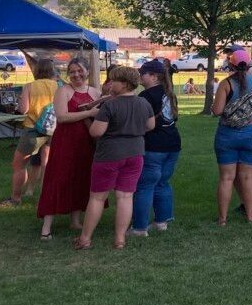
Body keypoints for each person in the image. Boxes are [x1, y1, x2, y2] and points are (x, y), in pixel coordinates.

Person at [74, 66, 154, 251]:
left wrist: (87, 119)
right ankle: (119, 240)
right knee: (125, 197)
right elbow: (151, 125)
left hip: (109, 155)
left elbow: (96, 132)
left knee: (97, 198)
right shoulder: (143, 103)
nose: (109, 84)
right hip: (135, 153)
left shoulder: (110, 105)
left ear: (125, 84)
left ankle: (85, 239)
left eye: (113, 80)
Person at [37, 57, 103, 240]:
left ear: (87, 71)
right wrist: (89, 112)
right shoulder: (62, 91)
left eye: (79, 70)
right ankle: (46, 227)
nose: (76, 74)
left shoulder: (96, 93)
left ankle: (75, 220)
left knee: (81, 178)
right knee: (58, 179)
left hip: (86, 142)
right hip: (65, 142)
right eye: (72, 71)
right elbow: (62, 117)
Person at [211, 48, 252, 225]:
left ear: (231, 65)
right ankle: (251, 217)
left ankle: (222, 219)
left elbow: (217, 110)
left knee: (226, 178)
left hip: (227, 134)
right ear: (249, 65)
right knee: (247, 176)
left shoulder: (226, 84)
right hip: (251, 133)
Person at [130, 58, 182, 236]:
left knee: (145, 185)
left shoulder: (146, 96)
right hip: (172, 144)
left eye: (142, 74)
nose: (140, 78)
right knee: (162, 183)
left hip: (153, 145)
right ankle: (162, 221)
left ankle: (139, 227)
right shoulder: (169, 93)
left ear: (153, 76)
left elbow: (140, 122)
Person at [0, 57, 59, 206]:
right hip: (53, 129)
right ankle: (45, 198)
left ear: (36, 70)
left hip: (32, 129)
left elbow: (23, 109)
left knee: (19, 165)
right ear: (52, 70)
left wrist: (20, 102)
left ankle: (15, 198)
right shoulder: (59, 86)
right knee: (48, 164)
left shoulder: (30, 86)